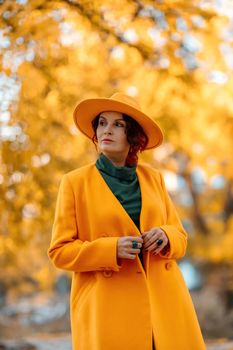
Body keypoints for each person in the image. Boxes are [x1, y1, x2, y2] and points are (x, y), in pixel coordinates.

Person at [48, 92, 206, 350]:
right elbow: (59, 251)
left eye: (118, 124)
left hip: (164, 305)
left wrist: (165, 236)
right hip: (110, 309)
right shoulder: (75, 182)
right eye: (102, 123)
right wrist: (111, 249)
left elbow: (180, 237)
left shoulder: (153, 177)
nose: (106, 130)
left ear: (133, 136)